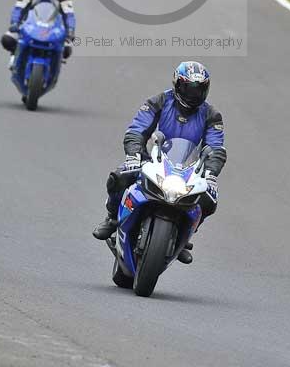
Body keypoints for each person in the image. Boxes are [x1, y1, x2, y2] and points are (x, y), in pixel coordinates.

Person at [92, 61, 226, 264]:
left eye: (199, 89)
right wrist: (134, 154)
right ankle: (111, 218)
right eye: (189, 88)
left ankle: (183, 237)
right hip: (153, 159)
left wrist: (211, 173)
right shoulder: (159, 101)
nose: (193, 94)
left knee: (210, 199)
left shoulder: (211, 115)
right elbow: (137, 129)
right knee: (118, 178)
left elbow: (216, 148)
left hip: (188, 168)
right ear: (177, 84)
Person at [1, 0, 75, 58]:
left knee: (67, 50)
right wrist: (15, 23)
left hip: (54, 30)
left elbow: (69, 15)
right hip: (29, 26)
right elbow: (19, 8)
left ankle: (55, 64)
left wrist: (70, 31)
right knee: (7, 39)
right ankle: (16, 55)